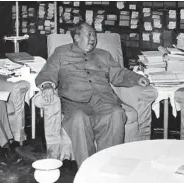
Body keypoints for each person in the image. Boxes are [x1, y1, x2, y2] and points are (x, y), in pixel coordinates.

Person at [35, 22, 150, 166]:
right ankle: (87, 168)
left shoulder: (104, 55)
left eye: (94, 36)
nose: (93, 39)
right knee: (78, 118)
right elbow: (47, 73)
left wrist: (137, 78)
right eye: (89, 35)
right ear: (76, 37)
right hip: (73, 103)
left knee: (116, 113)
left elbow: (119, 74)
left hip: (104, 100)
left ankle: (109, 166)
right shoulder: (60, 53)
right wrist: (47, 85)